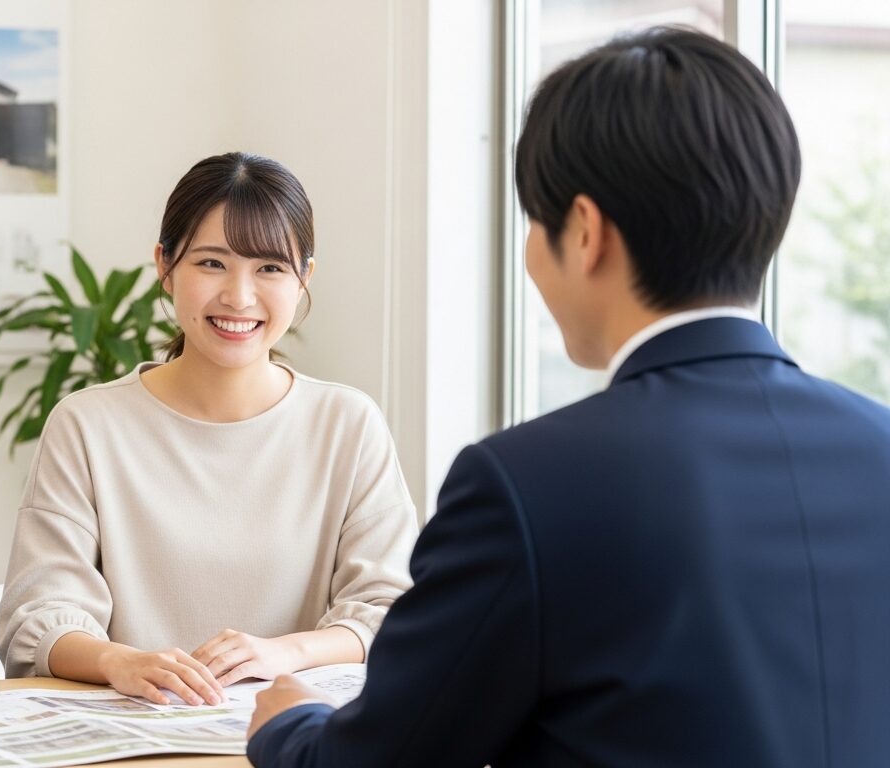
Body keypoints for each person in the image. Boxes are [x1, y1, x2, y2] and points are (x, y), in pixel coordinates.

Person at [245, 26, 890, 767]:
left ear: (585, 232)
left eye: (535, 222)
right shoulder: (879, 448)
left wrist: (288, 724)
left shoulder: (527, 485)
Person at [0, 152, 418, 705]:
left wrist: (285, 652)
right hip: (140, 730)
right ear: (165, 266)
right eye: (212, 263)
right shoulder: (88, 425)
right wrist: (121, 662)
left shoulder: (348, 425)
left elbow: (391, 610)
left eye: (270, 268)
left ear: (304, 279)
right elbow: (36, 619)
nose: (239, 297)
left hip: (294, 733)